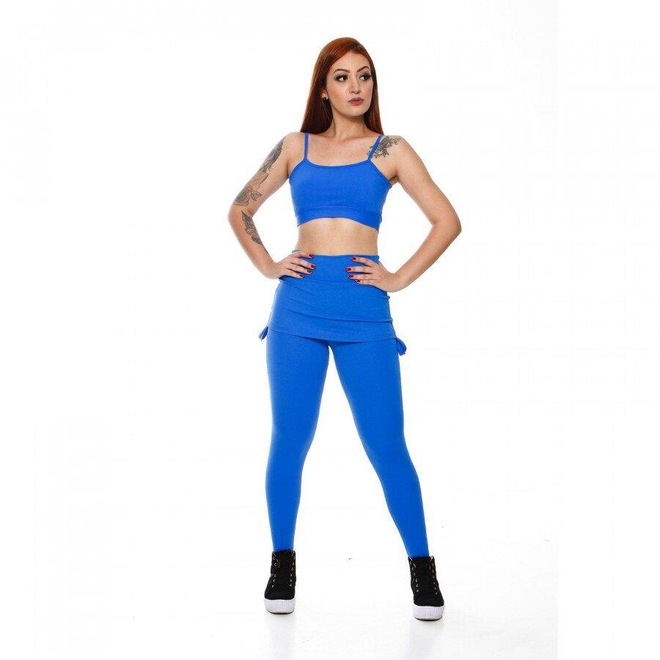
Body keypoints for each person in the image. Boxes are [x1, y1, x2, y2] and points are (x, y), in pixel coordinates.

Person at [228, 37, 461, 621]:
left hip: (363, 311)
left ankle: (423, 569)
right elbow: (240, 208)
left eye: (364, 76)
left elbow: (447, 220)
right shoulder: (295, 146)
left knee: (386, 445)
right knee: (290, 440)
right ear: (323, 88)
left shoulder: (391, 149)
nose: (355, 87)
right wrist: (269, 264)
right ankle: (282, 564)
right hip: (298, 309)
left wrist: (397, 277)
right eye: (342, 77)